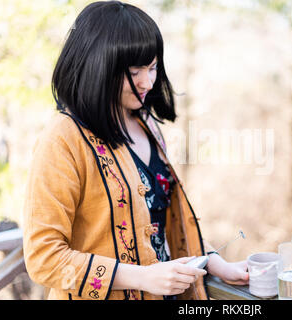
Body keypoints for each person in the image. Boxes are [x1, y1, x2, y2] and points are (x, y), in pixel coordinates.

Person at [23, 1, 248, 300]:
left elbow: (156, 225)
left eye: (153, 67)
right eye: (135, 70)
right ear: (98, 66)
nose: (148, 81)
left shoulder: (146, 126)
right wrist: (142, 277)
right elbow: (43, 259)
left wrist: (217, 264)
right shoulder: (62, 139)